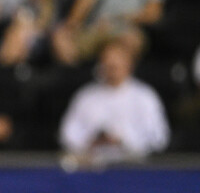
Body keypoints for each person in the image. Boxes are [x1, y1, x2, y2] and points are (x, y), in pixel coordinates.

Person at [59, 39, 170, 167]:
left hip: (134, 169)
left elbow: (159, 138)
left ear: (129, 64)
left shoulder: (145, 97)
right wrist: (92, 141)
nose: (112, 67)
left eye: (116, 64)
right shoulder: (86, 96)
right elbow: (67, 134)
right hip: (92, 168)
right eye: (108, 63)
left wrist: (122, 140)